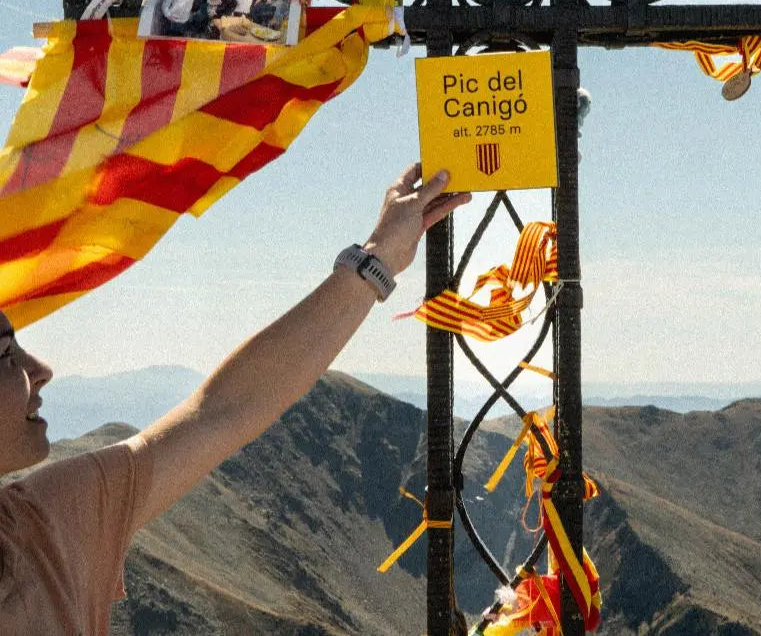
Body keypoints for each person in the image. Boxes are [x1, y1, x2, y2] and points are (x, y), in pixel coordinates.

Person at [0, 165, 470, 635]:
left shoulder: (44, 523)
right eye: (5, 352)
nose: (40, 369)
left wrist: (377, 259)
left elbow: (223, 409)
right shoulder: (44, 527)